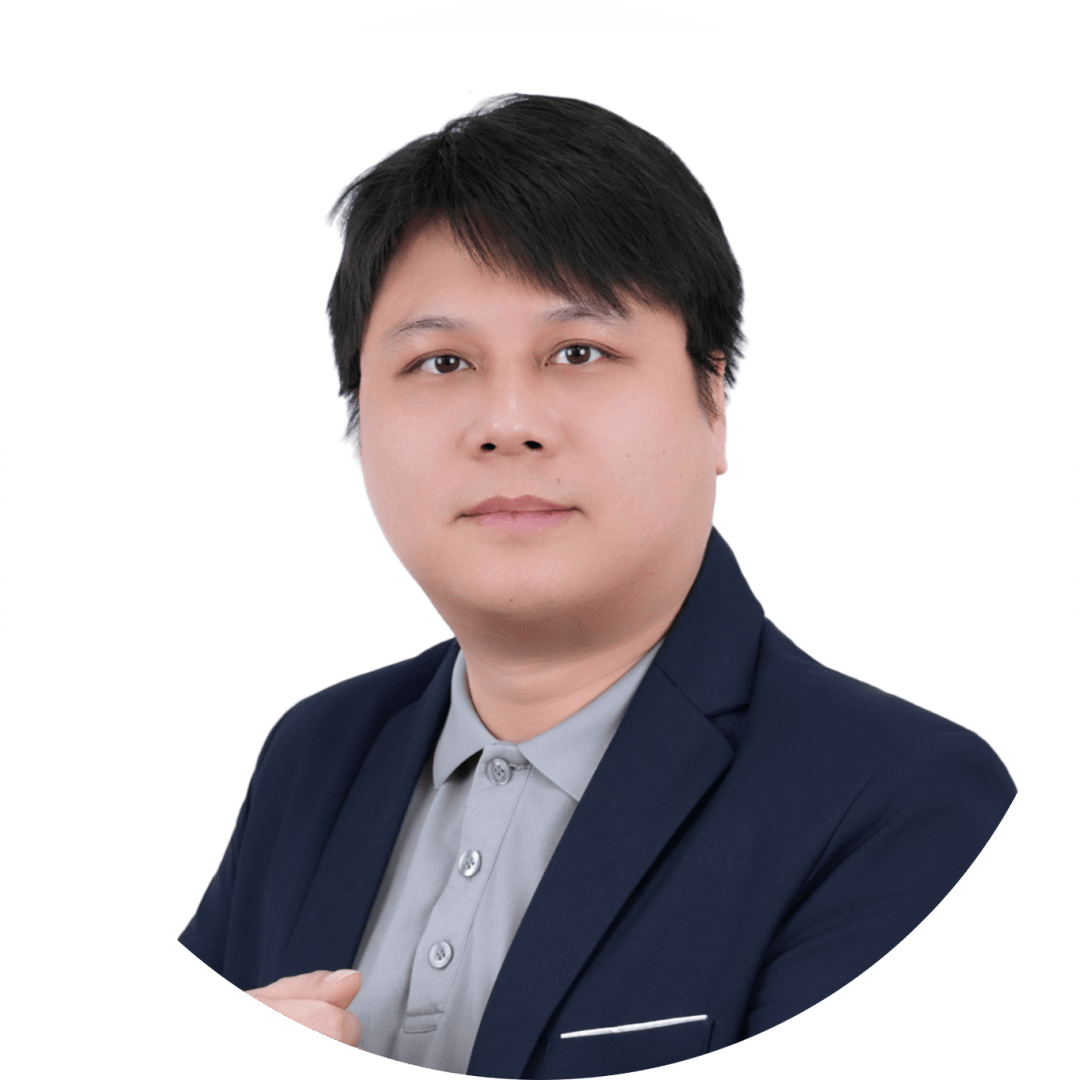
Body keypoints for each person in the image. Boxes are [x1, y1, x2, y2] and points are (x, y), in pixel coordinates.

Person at [179, 95, 1016, 1077]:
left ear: (713, 400)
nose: (507, 423)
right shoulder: (317, 757)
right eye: (440, 361)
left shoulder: (906, 804)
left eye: (578, 353)